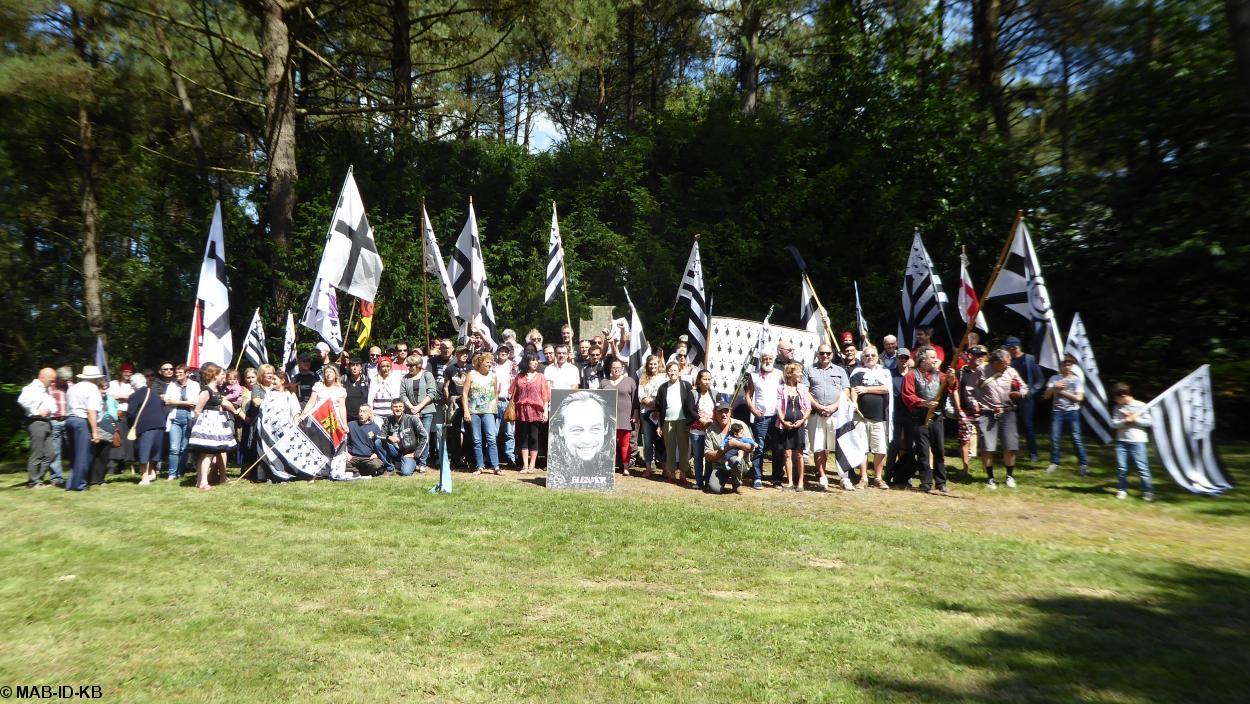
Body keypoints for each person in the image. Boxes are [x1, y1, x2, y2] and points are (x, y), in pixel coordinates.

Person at [970, 348, 1028, 488]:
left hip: (1008, 412)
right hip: (987, 412)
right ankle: (990, 478)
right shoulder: (981, 370)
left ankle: (1009, 476)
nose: (1007, 365)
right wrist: (974, 403)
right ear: (996, 362)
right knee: (988, 447)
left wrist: (1019, 394)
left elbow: (1024, 387)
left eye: (1008, 363)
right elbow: (969, 389)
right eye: (1005, 363)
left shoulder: (1011, 371)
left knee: (1010, 445)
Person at [900, 346, 955, 495]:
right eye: (932, 357)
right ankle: (926, 483)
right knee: (923, 451)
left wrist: (951, 378)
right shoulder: (911, 375)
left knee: (939, 451)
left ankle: (941, 482)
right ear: (923, 359)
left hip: (936, 418)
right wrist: (923, 403)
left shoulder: (940, 375)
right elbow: (908, 395)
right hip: (919, 418)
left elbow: (951, 387)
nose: (935, 360)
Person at [801, 344, 851, 491]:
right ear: (817, 354)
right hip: (816, 414)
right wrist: (817, 406)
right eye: (822, 353)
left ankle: (844, 478)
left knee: (841, 446)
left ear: (832, 354)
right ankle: (822, 477)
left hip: (836, 414)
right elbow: (805, 390)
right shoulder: (809, 370)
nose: (825, 356)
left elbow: (846, 391)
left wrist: (834, 407)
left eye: (828, 353)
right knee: (818, 446)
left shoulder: (840, 370)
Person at [185, 363, 238, 490]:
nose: (223, 377)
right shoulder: (206, 391)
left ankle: (200, 481)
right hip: (208, 425)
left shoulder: (216, 391)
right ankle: (202, 482)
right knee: (207, 453)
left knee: (208, 454)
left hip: (216, 423)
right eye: (221, 375)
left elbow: (225, 403)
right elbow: (198, 410)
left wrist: (235, 411)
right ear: (214, 376)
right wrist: (204, 425)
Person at [548, 390, 615, 487]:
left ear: (606, 428)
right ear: (561, 429)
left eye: (595, 429)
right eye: (576, 430)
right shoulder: (554, 471)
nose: (586, 440)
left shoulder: (609, 465)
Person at [849, 345, 892, 489]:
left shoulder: (884, 373)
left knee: (880, 448)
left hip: (879, 416)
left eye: (873, 355)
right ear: (862, 358)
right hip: (861, 417)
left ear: (877, 357)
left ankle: (878, 478)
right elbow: (853, 389)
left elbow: (887, 388)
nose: (870, 358)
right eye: (867, 355)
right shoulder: (858, 372)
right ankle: (864, 478)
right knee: (862, 448)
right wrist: (854, 402)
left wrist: (866, 389)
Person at [1044, 353, 1089, 476]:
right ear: (1060, 366)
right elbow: (1046, 396)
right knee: (1055, 438)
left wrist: (1062, 392)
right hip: (1057, 412)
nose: (1067, 367)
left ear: (1072, 366)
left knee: (1076, 438)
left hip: (1072, 412)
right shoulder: (1054, 379)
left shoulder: (1076, 380)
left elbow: (1079, 398)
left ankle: (1083, 464)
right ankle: (1055, 463)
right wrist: (1054, 387)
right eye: (1064, 365)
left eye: (1069, 365)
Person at [64, 366, 108, 491]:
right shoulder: (93, 388)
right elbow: (91, 411)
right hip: (81, 421)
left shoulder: (73, 388)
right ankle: (80, 485)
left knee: (74, 455)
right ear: (95, 378)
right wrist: (95, 431)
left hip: (69, 420)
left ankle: (71, 483)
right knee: (84, 455)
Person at [744, 351, 782, 489]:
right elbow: (748, 395)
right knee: (759, 448)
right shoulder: (754, 375)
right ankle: (757, 477)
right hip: (761, 417)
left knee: (778, 448)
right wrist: (753, 410)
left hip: (777, 417)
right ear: (761, 360)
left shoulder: (779, 374)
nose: (767, 360)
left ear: (773, 359)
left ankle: (777, 479)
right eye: (764, 358)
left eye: (770, 358)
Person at [654, 361, 696, 483]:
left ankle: (683, 474)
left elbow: (691, 404)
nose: (672, 372)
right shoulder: (662, 388)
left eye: (674, 370)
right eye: (670, 370)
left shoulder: (686, 385)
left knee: (684, 448)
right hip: (667, 421)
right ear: (667, 372)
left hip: (683, 421)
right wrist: (659, 425)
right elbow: (659, 407)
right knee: (670, 448)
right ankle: (671, 474)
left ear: (679, 371)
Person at [1111, 383, 1154, 501]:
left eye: (1116, 398)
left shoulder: (1141, 406)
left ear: (1124, 395)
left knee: (1142, 467)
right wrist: (1125, 420)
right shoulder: (1117, 408)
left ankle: (1147, 491)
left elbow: (1149, 422)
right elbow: (1114, 424)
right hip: (1121, 441)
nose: (1115, 400)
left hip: (1138, 441)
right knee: (1122, 467)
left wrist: (1135, 419)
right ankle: (1122, 489)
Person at [1004, 336, 1044, 462]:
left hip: (1026, 398)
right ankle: (1012, 452)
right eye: (1010, 348)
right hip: (1010, 398)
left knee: (1028, 425)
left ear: (1019, 346)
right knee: (1011, 427)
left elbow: (1040, 380)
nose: (1012, 350)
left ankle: (1033, 453)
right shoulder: (1007, 362)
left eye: (1014, 347)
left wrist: (1030, 393)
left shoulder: (1030, 359)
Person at [510, 353, 550, 474]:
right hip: (522, 410)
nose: (535, 362)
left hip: (536, 410)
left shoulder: (541, 377)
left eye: (536, 360)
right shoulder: (519, 377)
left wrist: (546, 411)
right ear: (526, 362)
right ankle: (525, 465)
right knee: (524, 438)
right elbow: (512, 393)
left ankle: (532, 465)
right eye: (532, 360)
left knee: (534, 437)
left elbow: (545, 395)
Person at [18, 368, 58, 488]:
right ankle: (33, 481)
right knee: (37, 453)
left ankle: (38, 479)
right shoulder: (31, 388)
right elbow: (22, 401)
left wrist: (49, 410)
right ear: (42, 377)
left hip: (47, 422)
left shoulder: (46, 390)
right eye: (51, 380)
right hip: (36, 422)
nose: (52, 383)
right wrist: (36, 411)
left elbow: (53, 406)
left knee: (50, 453)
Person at [463, 352, 502, 475]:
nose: (490, 363)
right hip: (474, 411)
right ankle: (479, 466)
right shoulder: (471, 374)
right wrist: (466, 411)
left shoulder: (493, 376)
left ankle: (496, 466)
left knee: (491, 438)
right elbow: (464, 394)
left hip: (489, 411)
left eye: (491, 361)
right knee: (477, 440)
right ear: (480, 362)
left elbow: (495, 393)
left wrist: (494, 407)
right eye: (487, 361)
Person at [775, 362, 812, 491]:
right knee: (787, 453)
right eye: (798, 371)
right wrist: (783, 421)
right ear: (790, 373)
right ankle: (790, 482)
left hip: (799, 424)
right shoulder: (781, 388)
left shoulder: (803, 389)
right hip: (785, 425)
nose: (801, 374)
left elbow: (808, 407)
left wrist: (802, 420)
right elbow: (779, 407)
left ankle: (800, 482)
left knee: (800, 454)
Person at [400, 353, 439, 472]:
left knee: (424, 435)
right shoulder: (405, 378)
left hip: (426, 411)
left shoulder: (427, 375)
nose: (409, 367)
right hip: (411, 412)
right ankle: (413, 460)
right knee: (413, 436)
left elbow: (432, 393)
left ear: (419, 365)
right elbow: (402, 395)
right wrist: (412, 407)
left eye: (412, 365)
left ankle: (422, 462)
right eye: (408, 365)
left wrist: (419, 407)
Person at [702, 402, 752, 494]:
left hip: (740, 463)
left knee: (734, 460)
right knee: (714, 489)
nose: (724, 414)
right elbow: (708, 455)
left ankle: (737, 484)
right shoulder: (710, 430)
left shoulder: (740, 425)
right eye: (720, 412)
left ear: (730, 413)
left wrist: (737, 444)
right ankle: (721, 480)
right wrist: (725, 449)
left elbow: (750, 447)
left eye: (726, 411)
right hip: (721, 465)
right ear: (715, 414)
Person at [602, 357, 639, 476]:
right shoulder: (604, 382)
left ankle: (626, 467)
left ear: (622, 368)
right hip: (608, 418)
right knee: (608, 444)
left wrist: (635, 414)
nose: (616, 370)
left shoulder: (630, 381)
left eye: (619, 368)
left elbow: (635, 400)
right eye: (614, 368)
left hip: (625, 417)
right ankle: (608, 466)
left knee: (625, 444)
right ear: (610, 369)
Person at [163, 363, 201, 481]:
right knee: (174, 448)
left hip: (188, 419)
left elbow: (194, 402)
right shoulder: (172, 385)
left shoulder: (194, 385)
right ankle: (172, 473)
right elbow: (167, 401)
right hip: (175, 419)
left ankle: (181, 472)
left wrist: (177, 401)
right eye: (177, 373)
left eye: (180, 373)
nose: (177, 375)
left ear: (187, 374)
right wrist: (184, 403)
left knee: (184, 448)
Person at [127, 375, 166, 486]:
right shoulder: (154, 393)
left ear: (134, 384)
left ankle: (145, 477)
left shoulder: (134, 395)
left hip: (145, 426)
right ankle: (152, 473)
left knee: (144, 451)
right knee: (154, 450)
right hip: (160, 424)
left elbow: (130, 414)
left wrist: (132, 426)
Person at [955, 346, 988, 473]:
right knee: (965, 439)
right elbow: (955, 391)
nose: (980, 357)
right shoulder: (962, 372)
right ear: (970, 356)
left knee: (986, 440)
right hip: (966, 411)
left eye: (982, 355)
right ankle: (965, 467)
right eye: (978, 355)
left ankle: (987, 469)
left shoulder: (987, 371)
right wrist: (959, 409)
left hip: (984, 411)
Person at [885, 348, 914, 487]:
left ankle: (906, 477)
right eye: (900, 358)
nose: (903, 360)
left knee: (909, 447)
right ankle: (888, 475)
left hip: (910, 414)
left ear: (909, 359)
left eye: (905, 358)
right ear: (896, 359)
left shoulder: (914, 375)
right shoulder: (890, 374)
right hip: (895, 414)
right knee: (894, 445)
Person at [378, 398, 427, 476]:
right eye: (395, 407)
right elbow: (380, 435)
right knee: (378, 442)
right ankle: (390, 468)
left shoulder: (412, 419)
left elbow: (425, 437)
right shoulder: (388, 419)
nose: (398, 409)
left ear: (404, 408)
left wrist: (415, 454)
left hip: (408, 452)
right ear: (391, 408)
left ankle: (412, 463)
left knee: (406, 473)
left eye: (400, 406)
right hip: (395, 451)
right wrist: (389, 437)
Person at [443, 346, 473, 469]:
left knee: (470, 430)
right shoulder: (450, 369)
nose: (464, 355)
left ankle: (468, 458)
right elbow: (445, 386)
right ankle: (455, 459)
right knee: (454, 431)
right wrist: (448, 400)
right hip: (454, 400)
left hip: (468, 400)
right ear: (456, 354)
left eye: (466, 353)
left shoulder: (471, 368)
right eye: (462, 353)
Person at [637, 355, 666, 475]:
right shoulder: (643, 378)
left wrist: (659, 407)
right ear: (647, 365)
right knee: (648, 441)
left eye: (655, 364)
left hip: (661, 413)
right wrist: (655, 405)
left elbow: (665, 394)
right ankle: (649, 467)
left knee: (662, 440)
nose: (653, 366)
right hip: (647, 413)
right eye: (650, 364)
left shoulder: (664, 377)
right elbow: (641, 397)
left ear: (658, 364)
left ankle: (665, 467)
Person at [106, 362, 137, 474]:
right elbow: (109, 396)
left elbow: (133, 398)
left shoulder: (132, 385)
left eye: (129, 372)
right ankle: (111, 466)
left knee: (127, 442)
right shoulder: (113, 383)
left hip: (127, 415)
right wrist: (124, 397)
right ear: (121, 372)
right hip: (115, 414)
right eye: (126, 372)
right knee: (115, 439)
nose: (128, 374)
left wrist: (119, 397)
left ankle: (122, 465)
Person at [300, 363, 348, 433]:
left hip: (334, 420)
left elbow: (342, 408)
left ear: (335, 374)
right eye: (326, 372)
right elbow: (311, 402)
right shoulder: (318, 386)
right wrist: (303, 414)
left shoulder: (341, 390)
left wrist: (345, 424)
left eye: (330, 372)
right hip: (318, 418)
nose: (328, 374)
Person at [688, 370, 716, 489]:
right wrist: (701, 420)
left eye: (709, 379)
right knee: (698, 457)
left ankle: (708, 482)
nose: (707, 381)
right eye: (704, 379)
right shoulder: (692, 393)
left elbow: (718, 409)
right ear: (699, 380)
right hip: (697, 431)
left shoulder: (714, 393)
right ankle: (699, 482)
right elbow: (690, 410)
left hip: (711, 431)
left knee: (709, 457)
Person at [493, 345, 517, 467]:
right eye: (501, 351)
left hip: (508, 401)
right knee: (494, 432)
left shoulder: (513, 366)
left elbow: (517, 383)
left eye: (505, 352)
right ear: (497, 352)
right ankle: (492, 458)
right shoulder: (492, 364)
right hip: (494, 401)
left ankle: (510, 458)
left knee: (509, 432)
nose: (503, 353)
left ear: (509, 353)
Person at [346, 405, 385, 476]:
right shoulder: (351, 425)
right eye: (360, 411)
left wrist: (376, 454)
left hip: (368, 457)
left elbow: (378, 443)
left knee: (377, 464)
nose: (361, 414)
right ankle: (360, 472)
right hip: (353, 457)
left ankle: (356, 471)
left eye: (364, 412)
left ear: (370, 414)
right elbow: (344, 441)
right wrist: (346, 453)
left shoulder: (375, 427)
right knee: (342, 462)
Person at [367, 356, 403, 422]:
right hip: (377, 415)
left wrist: (395, 412)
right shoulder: (374, 380)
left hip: (391, 414)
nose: (385, 368)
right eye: (383, 366)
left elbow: (396, 397)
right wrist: (370, 413)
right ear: (379, 367)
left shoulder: (395, 379)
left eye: (387, 366)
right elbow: (370, 398)